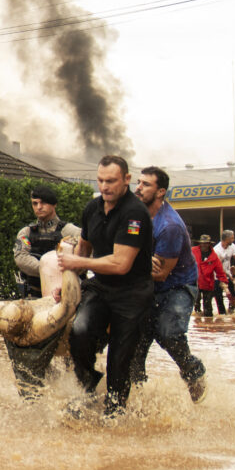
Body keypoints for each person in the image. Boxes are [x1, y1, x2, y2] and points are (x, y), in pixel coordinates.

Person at [58, 155, 154, 418]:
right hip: (101, 287)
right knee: (80, 332)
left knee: (119, 360)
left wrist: (76, 260)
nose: (104, 186)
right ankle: (88, 385)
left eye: (111, 181)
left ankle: (114, 416)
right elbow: (84, 248)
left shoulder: (135, 214)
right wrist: (69, 283)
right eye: (100, 180)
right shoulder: (92, 208)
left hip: (132, 293)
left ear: (126, 179)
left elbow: (121, 263)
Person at [129, 167, 207, 403]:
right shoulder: (134, 217)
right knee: (134, 345)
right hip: (145, 283)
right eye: (139, 183)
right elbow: (129, 247)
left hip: (177, 286)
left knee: (169, 333)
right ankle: (136, 400)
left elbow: (161, 273)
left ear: (161, 192)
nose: (139, 188)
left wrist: (131, 263)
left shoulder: (169, 225)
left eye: (146, 185)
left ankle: (194, 372)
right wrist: (139, 261)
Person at [3, 185, 81, 398]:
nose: (39, 207)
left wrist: (60, 272)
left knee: (71, 340)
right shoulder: (26, 232)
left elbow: (84, 252)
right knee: (24, 337)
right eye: (35, 204)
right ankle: (34, 382)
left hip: (64, 297)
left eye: (43, 203)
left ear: (53, 204)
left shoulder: (70, 231)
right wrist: (47, 268)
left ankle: (74, 382)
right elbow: (20, 258)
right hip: (34, 297)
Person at [195, 234, 230, 317]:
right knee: (196, 305)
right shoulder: (193, 251)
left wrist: (224, 282)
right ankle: (197, 325)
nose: (204, 245)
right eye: (202, 243)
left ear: (209, 244)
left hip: (208, 284)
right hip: (195, 282)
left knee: (208, 308)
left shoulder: (214, 257)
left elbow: (220, 271)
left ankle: (208, 324)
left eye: (206, 243)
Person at [213, 230, 235, 312]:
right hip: (217, 276)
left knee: (234, 294)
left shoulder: (232, 246)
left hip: (228, 275)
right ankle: (222, 316)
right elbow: (217, 267)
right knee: (219, 298)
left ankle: (231, 310)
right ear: (226, 239)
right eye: (232, 238)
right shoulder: (216, 250)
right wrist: (229, 275)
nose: (233, 240)